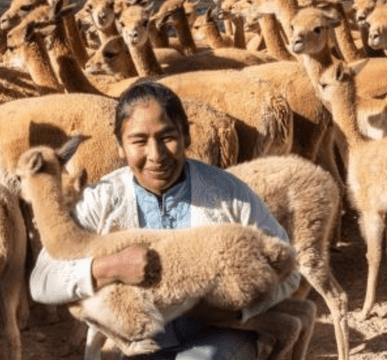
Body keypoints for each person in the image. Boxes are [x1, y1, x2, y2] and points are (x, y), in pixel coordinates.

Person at [29, 80, 303, 360]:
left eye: (167, 137)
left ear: (186, 137)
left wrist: (237, 310)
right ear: (120, 147)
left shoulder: (227, 193)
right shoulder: (101, 199)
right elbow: (42, 281)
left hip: (217, 335)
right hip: (133, 341)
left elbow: (289, 270)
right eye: (139, 141)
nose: (156, 155)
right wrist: (108, 268)